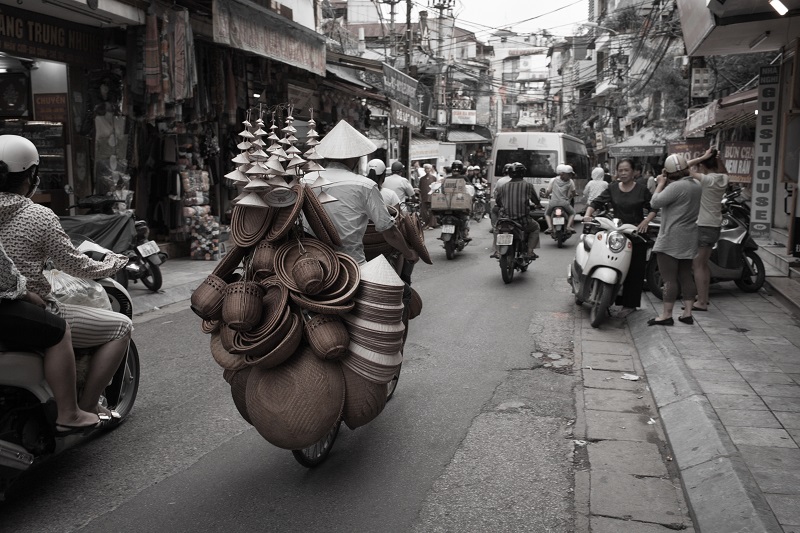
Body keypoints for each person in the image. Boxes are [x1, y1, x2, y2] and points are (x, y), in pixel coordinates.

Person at [0, 134, 132, 420]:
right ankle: (82, 407)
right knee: (121, 326)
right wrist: (113, 263)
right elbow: (76, 265)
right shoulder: (39, 216)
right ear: (32, 175)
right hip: (26, 306)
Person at [0, 240, 107, 434]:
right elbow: (73, 262)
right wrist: (26, 294)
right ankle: (70, 414)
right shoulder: (41, 216)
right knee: (59, 330)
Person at [314, 120, 418, 265]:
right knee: (401, 289)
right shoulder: (365, 185)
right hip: (352, 264)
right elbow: (390, 232)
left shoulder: (305, 180)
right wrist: (409, 254)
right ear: (355, 157)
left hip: (312, 264)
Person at [583, 158, 657, 318]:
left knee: (635, 271)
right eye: (620, 170)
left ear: (634, 172)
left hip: (636, 234)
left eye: (626, 170)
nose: (623, 173)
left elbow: (653, 208)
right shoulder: (612, 188)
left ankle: (630, 305)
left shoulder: (642, 189)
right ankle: (602, 294)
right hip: (617, 234)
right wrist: (588, 214)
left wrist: (645, 221)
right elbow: (595, 202)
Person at [647, 154, 703, 326]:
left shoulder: (676, 187)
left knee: (669, 278)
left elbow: (655, 202)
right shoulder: (696, 185)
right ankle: (687, 313)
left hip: (671, 237)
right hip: (689, 236)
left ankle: (666, 315)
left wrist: (660, 184)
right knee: (686, 275)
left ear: (668, 172)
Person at [689, 148, 729, 311]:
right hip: (715, 225)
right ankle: (703, 297)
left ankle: (702, 302)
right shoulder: (723, 178)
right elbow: (724, 171)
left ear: (704, 166)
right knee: (703, 264)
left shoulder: (706, 180)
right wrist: (717, 160)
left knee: (697, 264)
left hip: (704, 225)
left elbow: (683, 167)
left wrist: (701, 157)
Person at [490, 162, 543, 260]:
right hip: (522, 221)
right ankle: (530, 251)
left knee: (497, 229)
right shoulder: (528, 186)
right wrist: (538, 205)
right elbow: (535, 200)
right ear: (522, 173)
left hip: (505, 220)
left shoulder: (503, 187)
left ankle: (497, 251)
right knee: (535, 227)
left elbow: (498, 201)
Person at [543, 164, 577, 234]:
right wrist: (573, 195)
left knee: (547, 214)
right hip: (564, 203)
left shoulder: (553, 180)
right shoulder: (570, 182)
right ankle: (568, 227)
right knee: (572, 213)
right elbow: (573, 193)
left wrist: (546, 195)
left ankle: (550, 227)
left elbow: (548, 191)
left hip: (553, 203)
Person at [418, 163, 438, 229]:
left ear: (431, 169)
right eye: (426, 168)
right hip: (424, 196)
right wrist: (420, 196)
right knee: (423, 211)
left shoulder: (434, 178)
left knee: (432, 211)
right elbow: (420, 188)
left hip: (432, 196)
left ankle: (431, 224)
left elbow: (436, 187)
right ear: (424, 169)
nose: (427, 170)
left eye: (428, 168)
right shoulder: (421, 179)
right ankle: (426, 223)